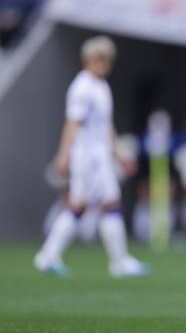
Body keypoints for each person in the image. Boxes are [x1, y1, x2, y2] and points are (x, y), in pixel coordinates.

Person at [34, 35, 148, 278]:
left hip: (98, 153)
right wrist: (63, 154)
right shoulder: (83, 87)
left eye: (108, 59)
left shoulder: (100, 86)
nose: (106, 64)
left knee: (77, 205)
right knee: (110, 203)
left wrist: (119, 153)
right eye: (102, 59)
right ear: (90, 59)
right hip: (89, 156)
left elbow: (105, 126)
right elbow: (72, 123)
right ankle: (119, 262)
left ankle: (48, 255)